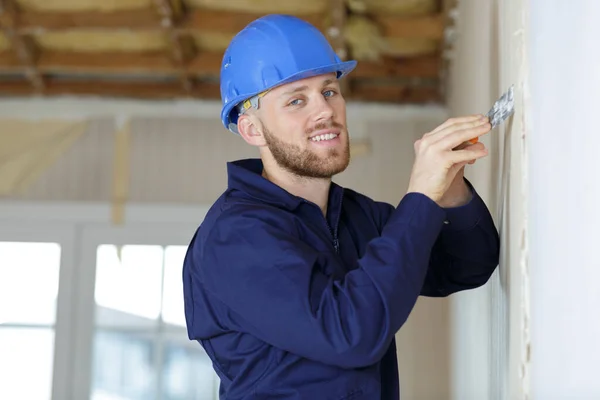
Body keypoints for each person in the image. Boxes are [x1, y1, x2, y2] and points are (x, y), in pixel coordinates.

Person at [182, 14, 500, 400]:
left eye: (329, 91)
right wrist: (420, 196)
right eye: (296, 99)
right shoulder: (235, 237)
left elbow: (464, 266)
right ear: (252, 129)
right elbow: (348, 334)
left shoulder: (356, 216)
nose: (324, 111)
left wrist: (447, 189)